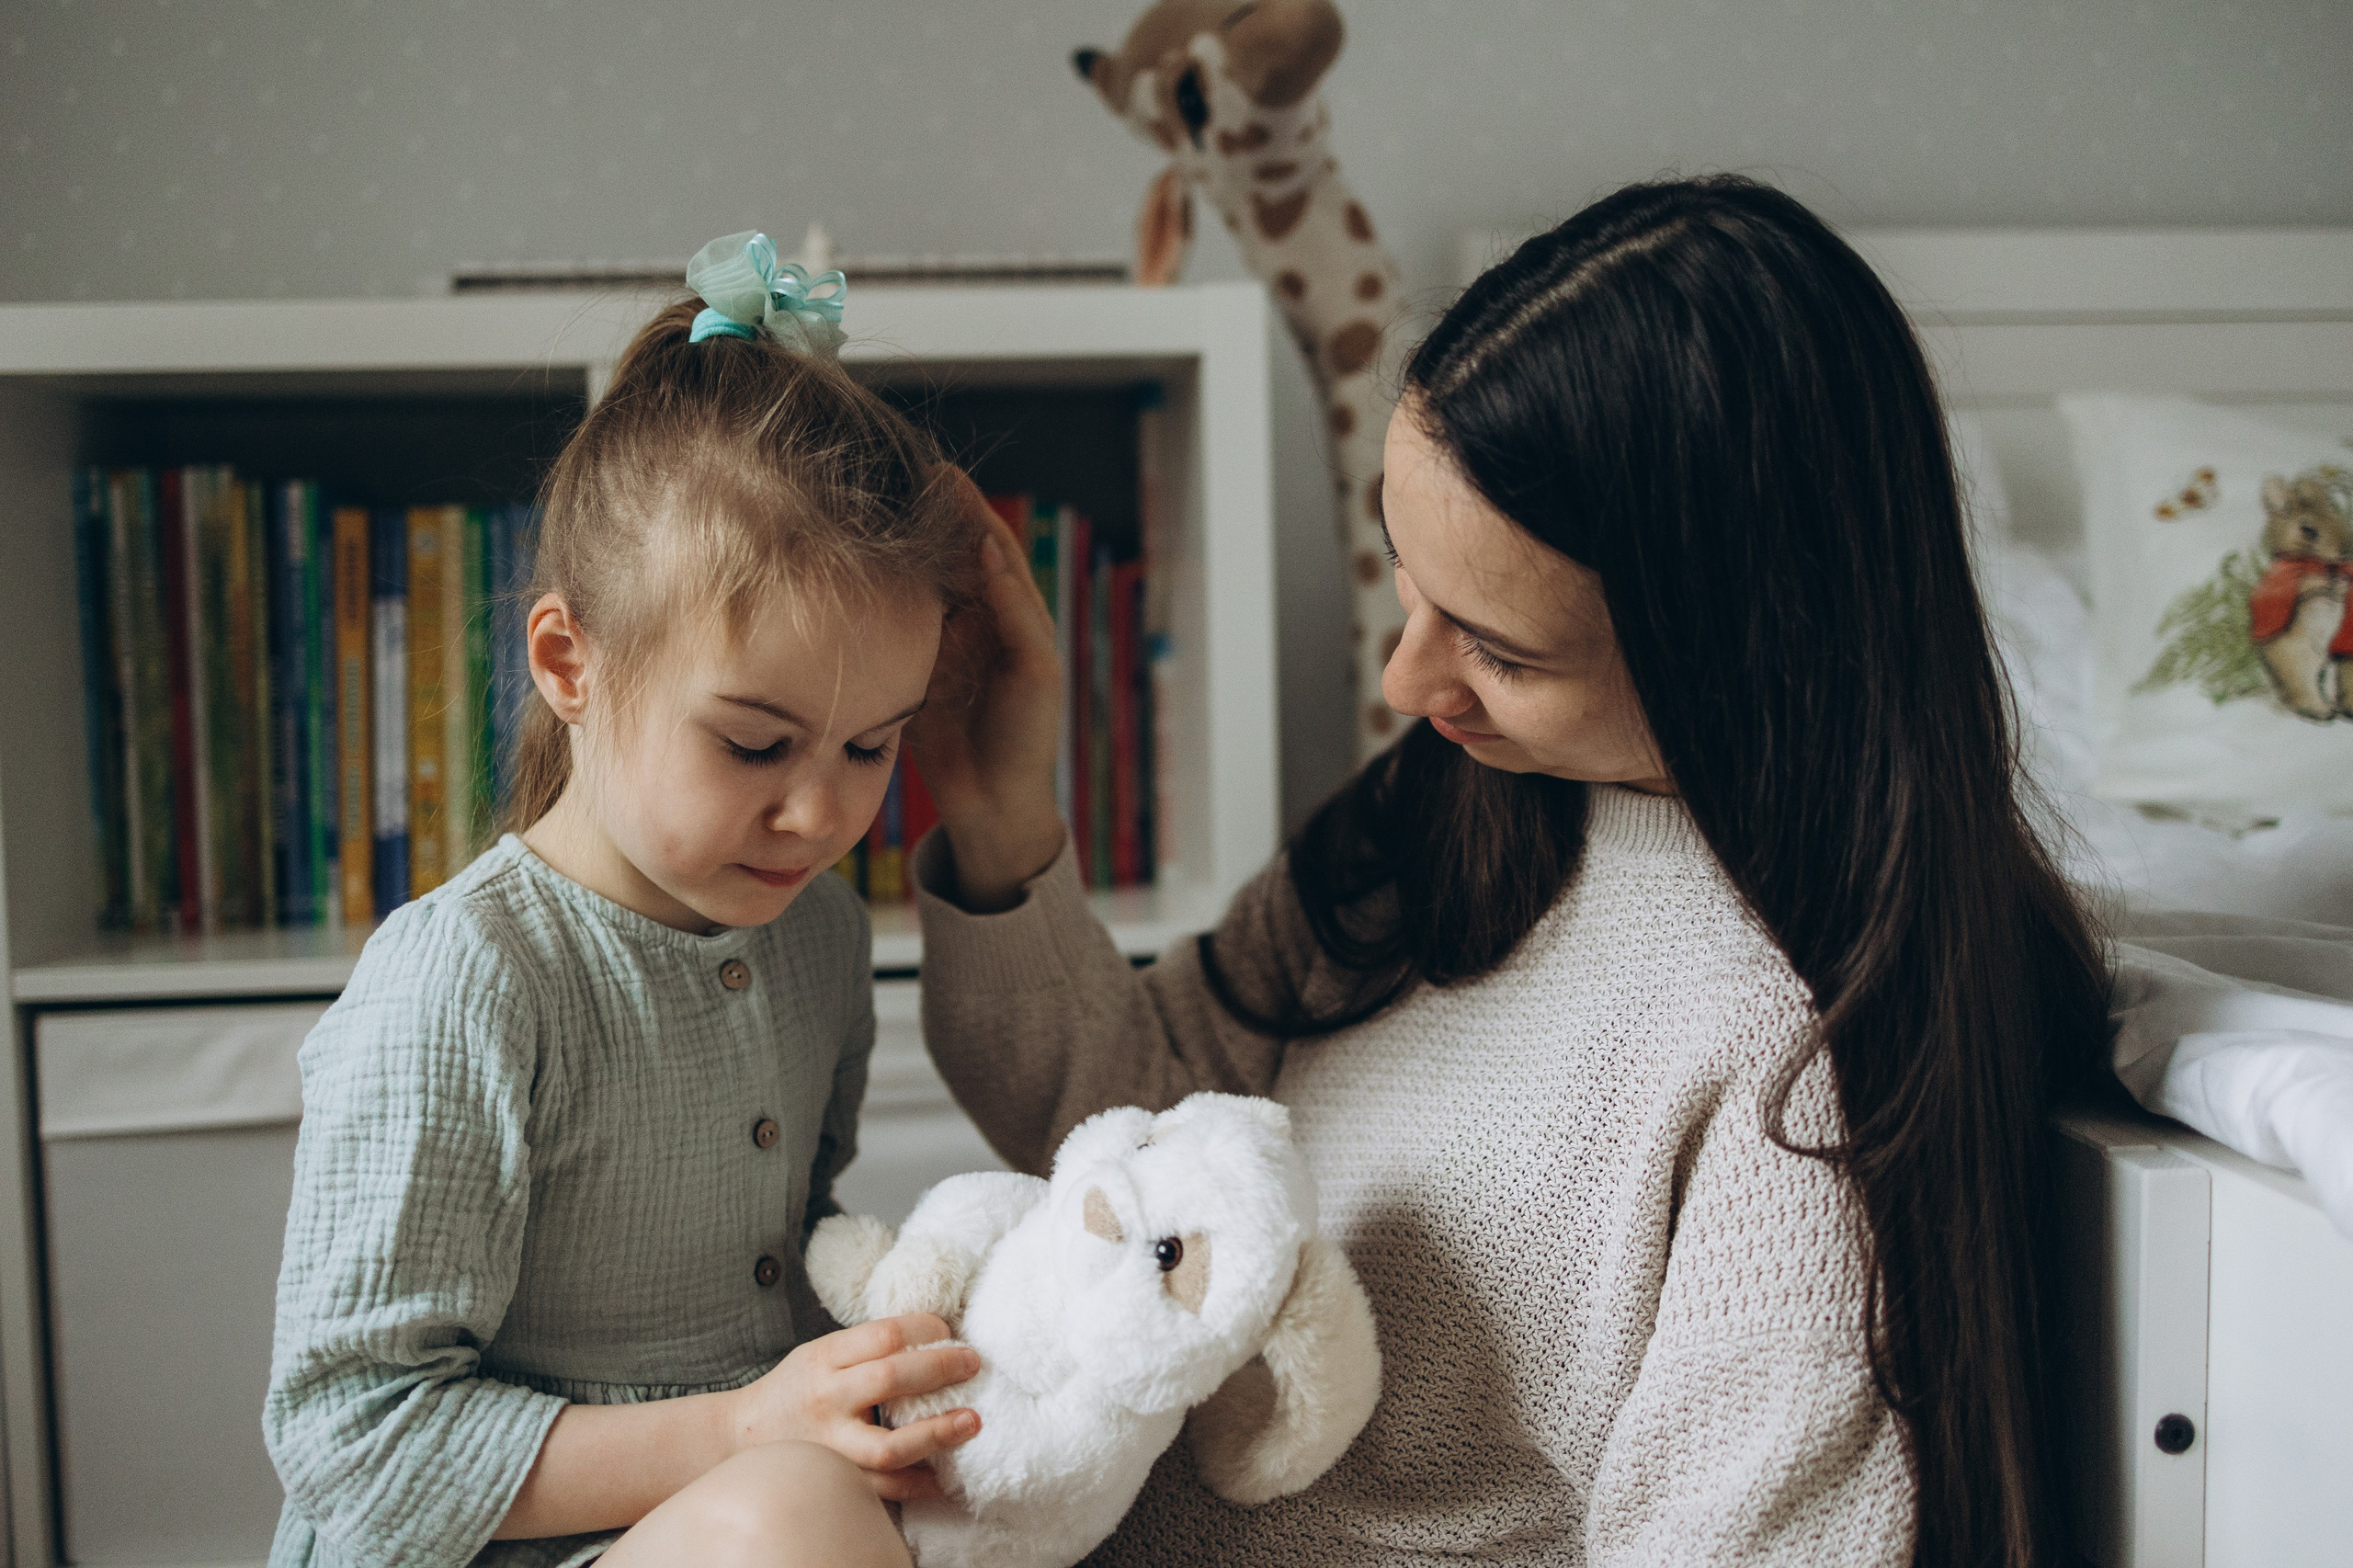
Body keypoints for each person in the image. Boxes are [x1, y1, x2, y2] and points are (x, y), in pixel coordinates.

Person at [906, 176, 2111, 1566]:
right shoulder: (1447, 817)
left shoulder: (1802, 1065)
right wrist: (999, 810)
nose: (1406, 679)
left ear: (1742, 648)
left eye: (1500, 649)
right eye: (1406, 577)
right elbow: (1116, 1136)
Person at [266, 236, 985, 1568]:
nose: (819, 815)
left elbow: (785, 1270)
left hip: (704, 1521)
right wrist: (750, 1430)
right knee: (793, 1518)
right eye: (756, 745)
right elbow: (352, 1441)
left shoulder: (817, 933)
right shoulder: (467, 979)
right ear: (569, 662)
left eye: (870, 747)